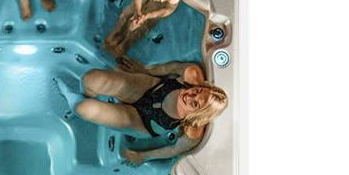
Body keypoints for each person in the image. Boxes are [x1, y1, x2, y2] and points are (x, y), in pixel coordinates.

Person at [52, 57, 227, 162]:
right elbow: (165, 69)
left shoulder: (193, 131)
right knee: (90, 79)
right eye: (197, 91)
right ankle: (88, 96)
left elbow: (173, 150)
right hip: (148, 89)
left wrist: (142, 156)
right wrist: (143, 69)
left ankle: (70, 97)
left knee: (82, 108)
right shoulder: (192, 73)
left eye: (195, 104)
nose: (190, 96)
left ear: (196, 115)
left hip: (142, 121)